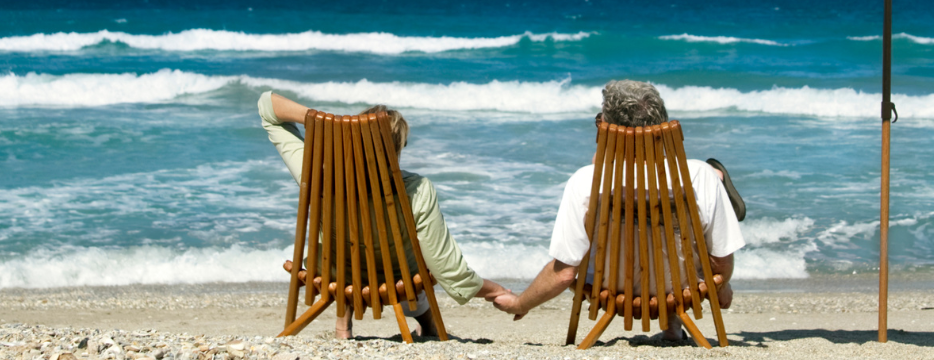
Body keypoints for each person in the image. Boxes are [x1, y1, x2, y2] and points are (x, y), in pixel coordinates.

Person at [492, 80, 746, 342]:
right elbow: (721, 261)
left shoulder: (584, 181)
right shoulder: (699, 176)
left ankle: (671, 322)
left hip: (610, 288)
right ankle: (720, 178)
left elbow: (564, 273)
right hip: (682, 289)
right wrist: (721, 284)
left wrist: (520, 303)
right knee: (682, 214)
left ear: (607, 130)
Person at [258, 91, 515, 339]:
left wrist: (329, 125)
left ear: (349, 138)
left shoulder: (316, 173)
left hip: (334, 275)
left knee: (347, 250)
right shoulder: (416, 189)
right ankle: (427, 323)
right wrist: (496, 290)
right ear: (397, 147)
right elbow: (446, 268)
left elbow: (267, 107)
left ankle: (343, 326)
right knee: (414, 258)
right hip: (396, 279)